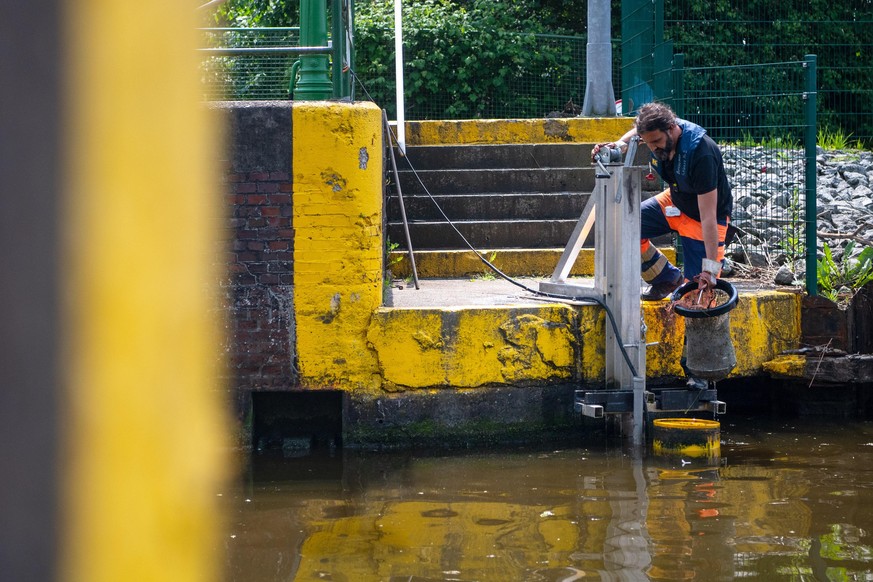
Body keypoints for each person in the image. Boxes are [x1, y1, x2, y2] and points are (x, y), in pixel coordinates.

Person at [593, 102, 733, 389]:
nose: (654, 148)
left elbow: (708, 217)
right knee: (625, 223)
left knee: (700, 294)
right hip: (675, 202)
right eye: (648, 143)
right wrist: (616, 144)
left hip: (705, 219)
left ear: (672, 129)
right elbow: (635, 133)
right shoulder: (656, 131)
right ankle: (666, 278)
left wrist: (710, 268)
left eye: (657, 142)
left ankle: (698, 373)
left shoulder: (701, 152)